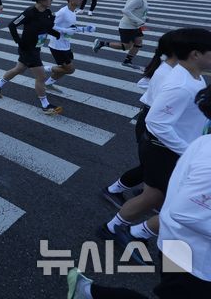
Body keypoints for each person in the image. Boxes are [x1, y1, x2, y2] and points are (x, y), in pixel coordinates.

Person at [67, 85, 211, 299]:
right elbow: (187, 212)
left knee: (152, 192)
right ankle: (88, 289)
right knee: (152, 193)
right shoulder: (181, 84)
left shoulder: (203, 141)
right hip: (190, 254)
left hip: (189, 248)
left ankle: (127, 234)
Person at [98, 28, 211, 262]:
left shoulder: (193, 75)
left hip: (171, 146)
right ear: (195, 55)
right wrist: (187, 150)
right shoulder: (181, 84)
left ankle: (119, 229)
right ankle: (121, 230)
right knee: (157, 198)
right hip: (163, 148)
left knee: (156, 198)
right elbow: (156, 122)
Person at [102, 30, 179, 209]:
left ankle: (148, 193)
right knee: (153, 166)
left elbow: (144, 83)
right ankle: (114, 190)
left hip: (152, 118)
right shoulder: (169, 73)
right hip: (152, 121)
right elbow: (158, 112)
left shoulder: (169, 68)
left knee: (156, 165)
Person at [0, 0, 62, 115]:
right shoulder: (30, 12)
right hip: (28, 48)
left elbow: (46, 27)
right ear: (41, 0)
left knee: (18, 69)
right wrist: (19, 41)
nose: (52, 0)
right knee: (41, 77)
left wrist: (55, 33)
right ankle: (45, 105)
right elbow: (12, 25)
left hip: (36, 47)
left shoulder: (47, 12)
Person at [92, 0, 157, 69]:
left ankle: (127, 61)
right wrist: (139, 21)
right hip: (128, 27)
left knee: (138, 43)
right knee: (126, 46)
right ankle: (102, 43)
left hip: (135, 26)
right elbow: (126, 10)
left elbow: (137, 11)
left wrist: (144, 18)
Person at [43, 0, 96, 89]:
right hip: (57, 46)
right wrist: (64, 30)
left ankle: (47, 84)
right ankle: (43, 69)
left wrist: (85, 29)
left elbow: (71, 28)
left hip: (65, 44)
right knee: (70, 70)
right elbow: (48, 25)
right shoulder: (63, 12)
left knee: (65, 68)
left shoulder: (72, 11)